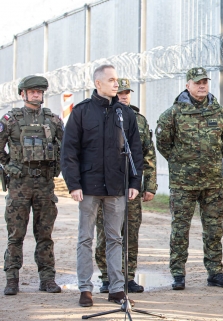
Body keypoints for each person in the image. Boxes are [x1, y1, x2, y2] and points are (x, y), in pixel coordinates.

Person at [61, 64, 144, 307]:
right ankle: (85, 288)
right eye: (111, 80)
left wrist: (135, 182)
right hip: (87, 187)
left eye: (116, 80)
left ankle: (117, 288)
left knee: (115, 238)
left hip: (117, 187)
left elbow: (135, 151)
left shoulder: (124, 114)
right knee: (86, 238)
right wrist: (74, 183)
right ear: (98, 84)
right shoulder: (82, 112)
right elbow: (69, 151)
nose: (116, 84)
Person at [156, 67, 223, 291]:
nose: (202, 86)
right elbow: (163, 144)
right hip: (183, 184)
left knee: (214, 230)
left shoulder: (220, 113)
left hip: (213, 183)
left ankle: (215, 272)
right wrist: (181, 162)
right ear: (187, 85)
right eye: (197, 82)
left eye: (205, 82)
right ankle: (178, 273)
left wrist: (210, 160)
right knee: (180, 230)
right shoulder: (172, 113)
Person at [0, 76, 64, 295]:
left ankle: (47, 279)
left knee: (45, 235)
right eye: (32, 92)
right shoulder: (10, 119)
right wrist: (10, 167)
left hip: (45, 185)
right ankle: (12, 279)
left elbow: (66, 147)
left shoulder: (53, 120)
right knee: (15, 235)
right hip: (20, 185)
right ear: (23, 94)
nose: (36, 95)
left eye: (39, 91)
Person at [95, 78, 157, 294]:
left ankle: (128, 276)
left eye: (126, 92)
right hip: (107, 186)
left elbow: (148, 154)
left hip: (130, 186)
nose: (123, 95)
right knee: (106, 232)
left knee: (130, 232)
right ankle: (106, 277)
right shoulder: (102, 114)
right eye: (119, 92)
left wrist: (149, 185)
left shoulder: (138, 120)